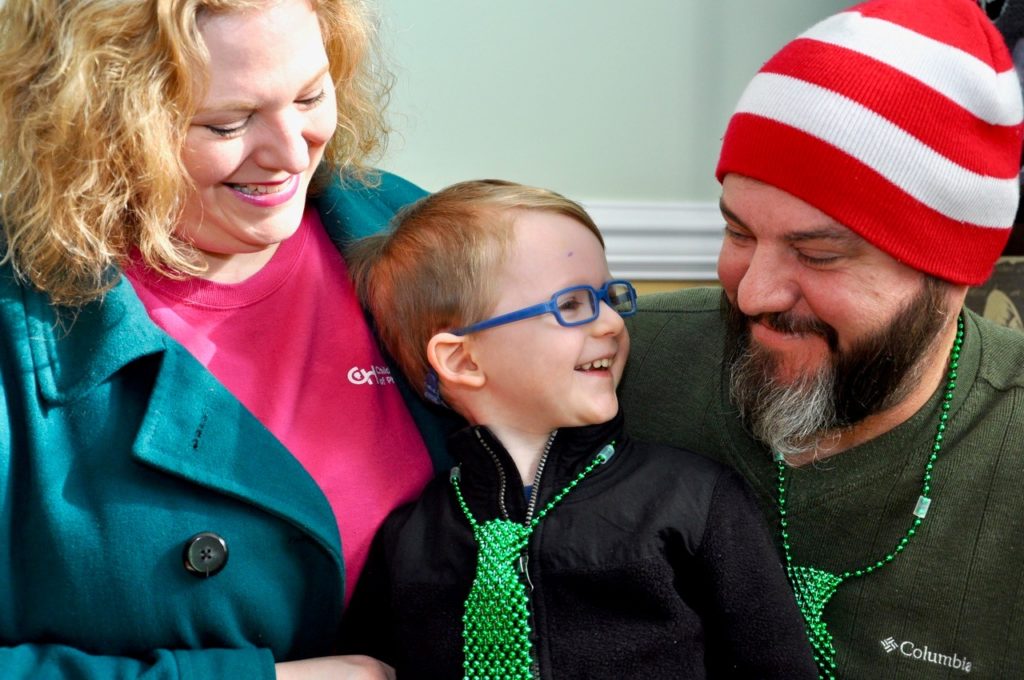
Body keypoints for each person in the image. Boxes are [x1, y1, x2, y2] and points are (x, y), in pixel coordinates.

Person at [0, 0, 456, 677]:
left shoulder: (411, 228)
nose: (290, 151)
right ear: (92, 125)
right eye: (227, 122)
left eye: (310, 95)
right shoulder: (19, 322)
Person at [619, 0, 1024, 677]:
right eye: (739, 233)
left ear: (951, 277)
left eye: (819, 253)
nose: (753, 294)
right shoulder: (619, 367)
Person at [340, 179, 818, 679]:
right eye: (571, 305)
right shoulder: (410, 540)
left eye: (608, 297)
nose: (611, 323)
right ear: (462, 359)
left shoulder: (693, 500)